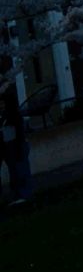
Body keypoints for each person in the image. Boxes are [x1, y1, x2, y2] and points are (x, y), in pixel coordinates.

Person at [0, 65, 30, 207]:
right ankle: (19, 193)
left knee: (18, 167)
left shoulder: (12, 114)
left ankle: (22, 194)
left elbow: (17, 127)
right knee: (15, 168)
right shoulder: (6, 113)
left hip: (13, 140)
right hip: (9, 141)